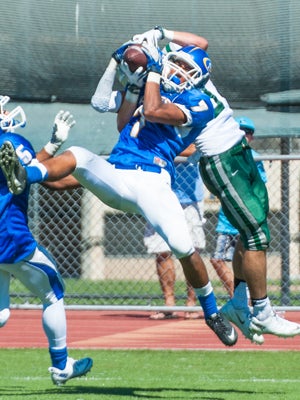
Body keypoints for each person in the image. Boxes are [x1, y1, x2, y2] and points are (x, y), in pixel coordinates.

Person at [0, 38, 239, 347]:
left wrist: (151, 71)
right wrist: (121, 70)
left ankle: (212, 313)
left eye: (184, 67)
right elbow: (106, 107)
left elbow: (153, 111)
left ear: (197, 77)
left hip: (154, 181)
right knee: (80, 155)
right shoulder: (149, 86)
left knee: (184, 247)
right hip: (118, 172)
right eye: (176, 63)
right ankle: (24, 173)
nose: (177, 70)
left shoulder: (199, 101)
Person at [129, 26, 300, 345]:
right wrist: (152, 65)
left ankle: (238, 300)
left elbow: (201, 44)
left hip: (241, 154)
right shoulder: (173, 95)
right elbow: (152, 110)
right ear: (164, 67)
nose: (184, 72)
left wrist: (161, 33)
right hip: (223, 162)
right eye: (178, 67)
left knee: (254, 230)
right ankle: (261, 310)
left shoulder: (192, 75)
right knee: (256, 235)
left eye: (188, 68)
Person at [0, 96, 93, 385]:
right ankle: (61, 364)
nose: (5, 111)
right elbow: (37, 176)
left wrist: (52, 146)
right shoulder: (12, 141)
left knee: (1, 313)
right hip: (9, 236)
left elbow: (22, 171)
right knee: (53, 291)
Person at [210, 116, 267, 300]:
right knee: (218, 259)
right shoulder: (225, 155)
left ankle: (246, 299)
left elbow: (258, 187)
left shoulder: (253, 157)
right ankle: (239, 298)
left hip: (247, 221)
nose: (243, 135)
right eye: (239, 131)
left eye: (247, 132)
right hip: (227, 221)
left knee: (248, 258)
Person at [144, 153, 206, 320]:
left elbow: (194, 148)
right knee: (161, 251)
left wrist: (167, 149)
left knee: (192, 252)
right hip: (159, 196)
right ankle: (169, 303)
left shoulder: (190, 126)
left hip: (190, 198)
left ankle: (191, 303)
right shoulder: (156, 126)